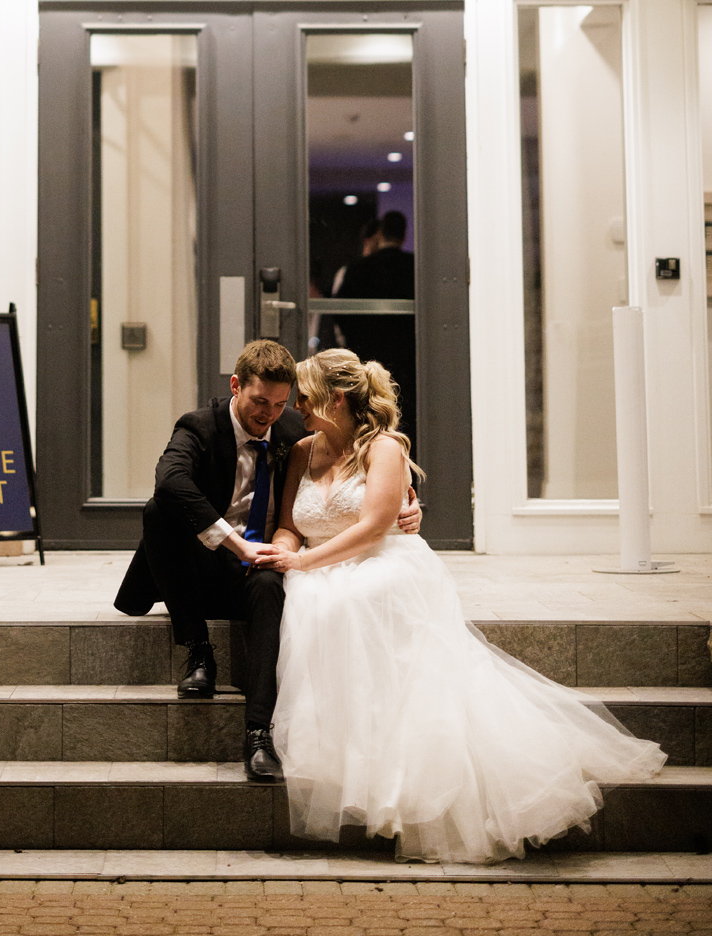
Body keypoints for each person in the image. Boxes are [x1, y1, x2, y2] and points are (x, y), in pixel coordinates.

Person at [268, 347, 664, 861]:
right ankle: (341, 760)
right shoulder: (301, 450)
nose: (298, 404)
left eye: (306, 395)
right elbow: (288, 525)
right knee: (311, 603)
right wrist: (283, 553)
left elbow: (373, 528)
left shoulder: (383, 448)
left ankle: (402, 774)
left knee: (355, 599)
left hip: (376, 563)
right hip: (318, 568)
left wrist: (307, 563)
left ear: (336, 398)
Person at [110, 338, 420, 782]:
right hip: (207, 561)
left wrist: (408, 506)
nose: (269, 414)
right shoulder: (199, 426)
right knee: (159, 511)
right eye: (260, 402)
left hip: (263, 564)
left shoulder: (297, 430)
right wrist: (239, 545)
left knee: (272, 585)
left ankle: (258, 733)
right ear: (236, 386)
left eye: (280, 404)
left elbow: (369, 469)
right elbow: (170, 480)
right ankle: (198, 651)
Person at [333, 210, 415, 299]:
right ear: (404, 237)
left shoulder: (358, 268)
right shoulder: (414, 266)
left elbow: (342, 306)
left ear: (380, 234)